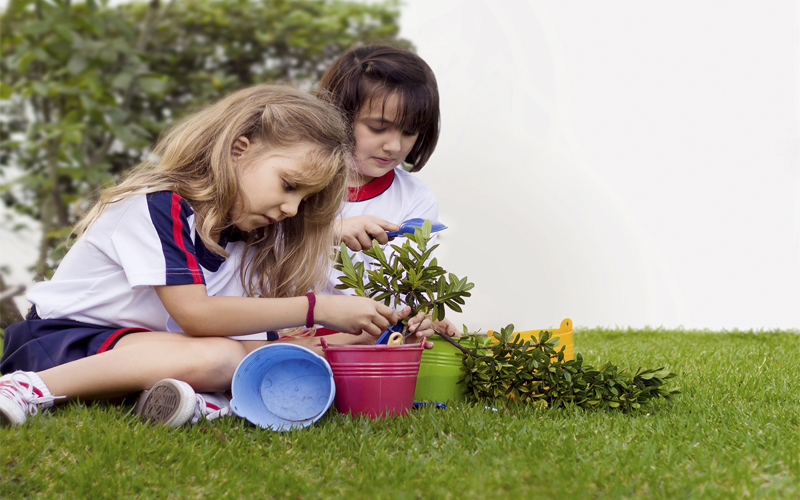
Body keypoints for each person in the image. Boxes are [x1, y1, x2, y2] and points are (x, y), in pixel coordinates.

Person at [0, 85, 414, 428]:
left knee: (271, 352)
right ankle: (25, 387)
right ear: (239, 150)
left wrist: (373, 329)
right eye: (289, 185)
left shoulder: (252, 232)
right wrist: (319, 308)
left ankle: (176, 400)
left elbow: (258, 336)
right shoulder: (161, 205)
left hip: (156, 350)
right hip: (64, 342)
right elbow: (196, 316)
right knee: (222, 355)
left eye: (304, 199)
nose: (292, 208)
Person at [315, 44, 460, 339]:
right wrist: (332, 229)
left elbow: (408, 288)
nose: (394, 146)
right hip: (290, 328)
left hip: (371, 335)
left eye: (409, 131)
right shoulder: (298, 180)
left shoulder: (415, 198)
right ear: (338, 116)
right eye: (378, 128)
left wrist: (421, 316)